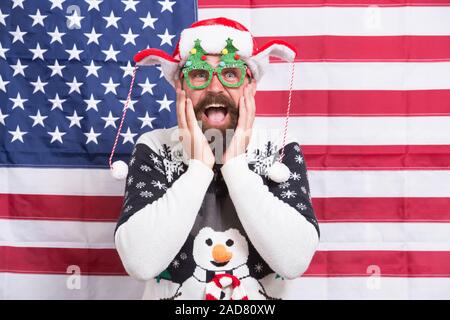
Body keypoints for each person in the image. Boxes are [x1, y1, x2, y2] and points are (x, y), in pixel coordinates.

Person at [114, 17, 320, 300]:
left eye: (230, 73)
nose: (214, 88)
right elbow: (140, 262)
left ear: (251, 86)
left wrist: (235, 165)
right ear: (180, 86)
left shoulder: (280, 147)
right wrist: (199, 167)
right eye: (199, 74)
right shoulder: (153, 147)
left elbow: (293, 260)